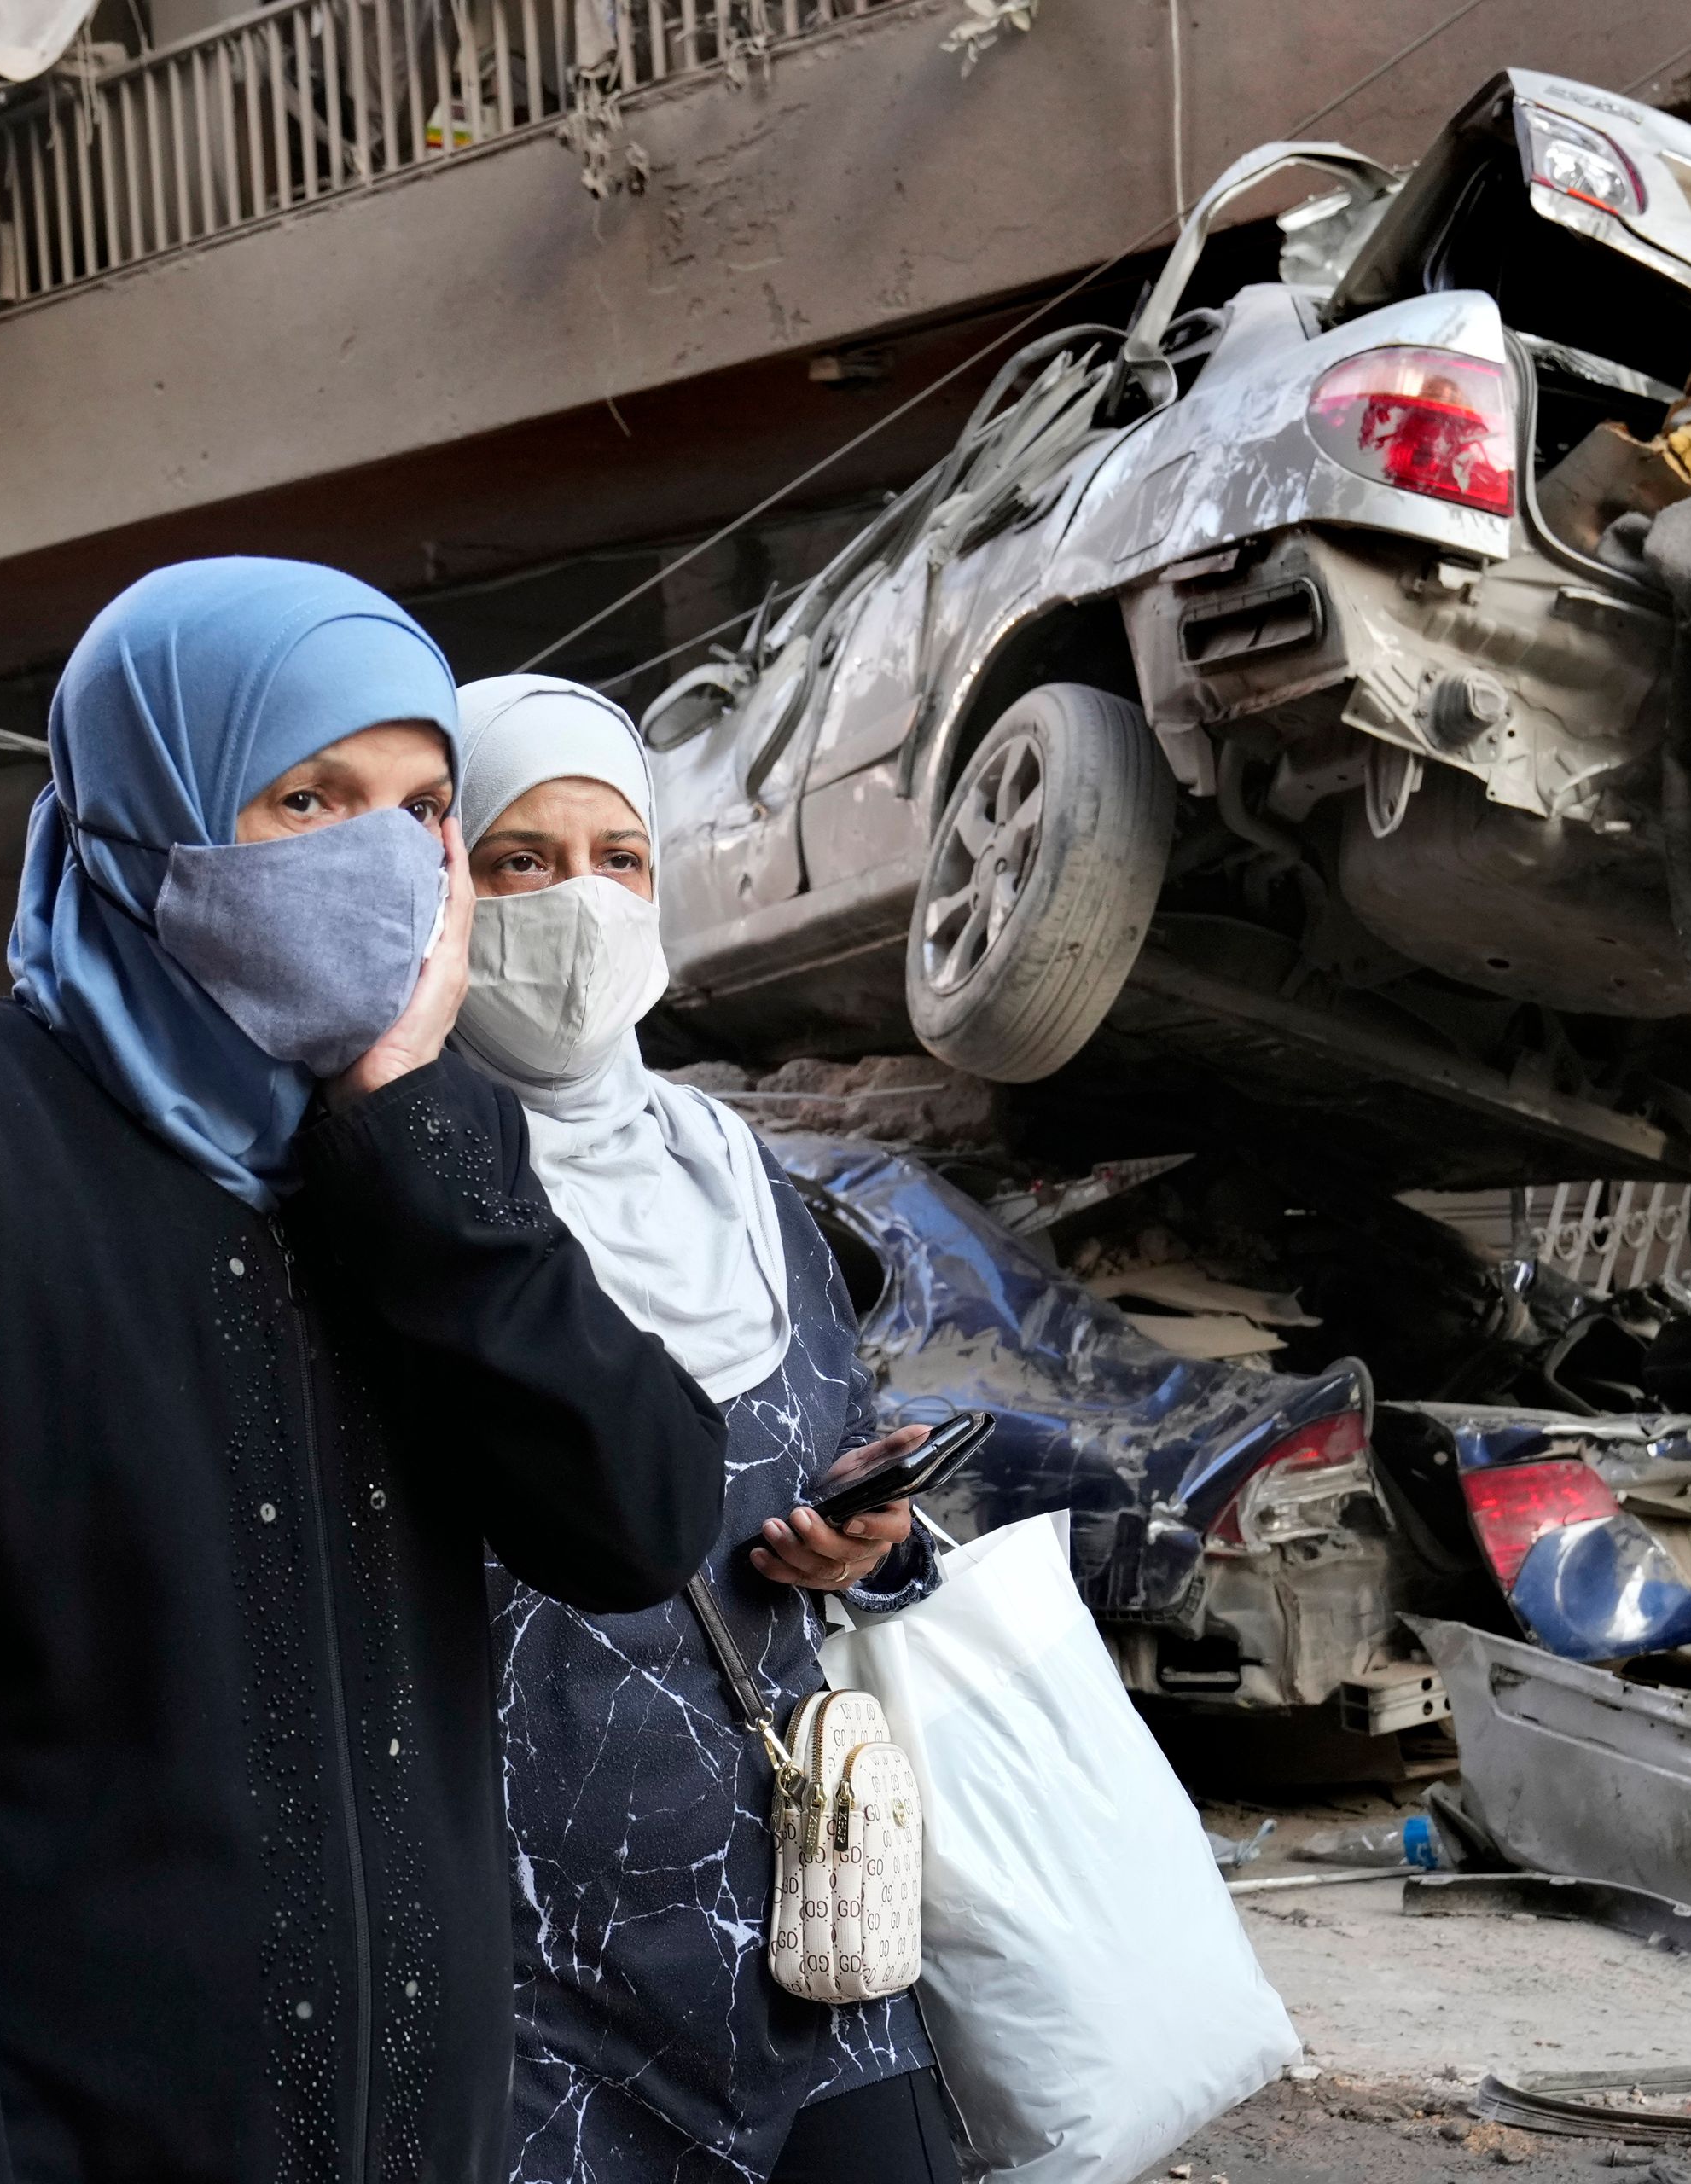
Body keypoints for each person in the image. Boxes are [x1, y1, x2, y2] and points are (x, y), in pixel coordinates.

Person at [0, 561, 730, 2184]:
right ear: (156, 804)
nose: (384, 854)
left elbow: (635, 1522)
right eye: (307, 799)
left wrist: (415, 1136)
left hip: (430, 2117)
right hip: (93, 2122)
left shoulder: (429, 1135)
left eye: (422, 808)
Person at [448, 675, 962, 2184]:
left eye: (621, 859)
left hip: (808, 1909)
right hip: (529, 1975)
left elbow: (841, 1466)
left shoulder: (738, 1182)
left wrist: (870, 1537)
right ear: (439, 890)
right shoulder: (379, 1201)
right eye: (518, 861)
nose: (580, 905)